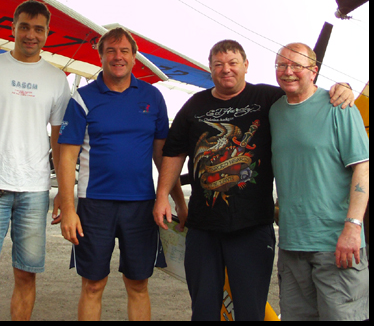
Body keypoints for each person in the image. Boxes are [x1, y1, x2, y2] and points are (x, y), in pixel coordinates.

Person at [153, 39, 355, 321]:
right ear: (210, 69)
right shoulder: (194, 105)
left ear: (246, 66)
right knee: (203, 309)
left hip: (251, 227)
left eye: (233, 63)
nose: (226, 70)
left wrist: (341, 87)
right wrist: (163, 195)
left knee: (250, 310)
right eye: (218, 64)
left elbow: (304, 93)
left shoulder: (268, 99)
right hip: (203, 228)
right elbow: (174, 153)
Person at [57, 27, 185, 321]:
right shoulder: (82, 99)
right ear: (100, 56)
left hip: (140, 206)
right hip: (94, 206)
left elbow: (163, 157)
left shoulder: (152, 97)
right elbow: (67, 158)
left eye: (124, 51)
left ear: (134, 56)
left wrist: (177, 200)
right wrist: (67, 209)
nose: (118, 57)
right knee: (92, 285)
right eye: (111, 51)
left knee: (138, 284)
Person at [0, 0, 71, 321]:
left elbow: (59, 139)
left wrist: (63, 190)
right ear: (13, 28)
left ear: (47, 33)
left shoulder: (56, 78)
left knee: (26, 274)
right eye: (24, 27)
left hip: (35, 192)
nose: (30, 35)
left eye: (38, 29)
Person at [270, 43, 369, 321]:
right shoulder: (274, 111)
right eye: (281, 65)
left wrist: (353, 227)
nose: (288, 72)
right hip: (292, 245)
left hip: (336, 243)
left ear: (313, 71)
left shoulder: (339, 106)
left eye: (297, 66)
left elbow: (363, 168)